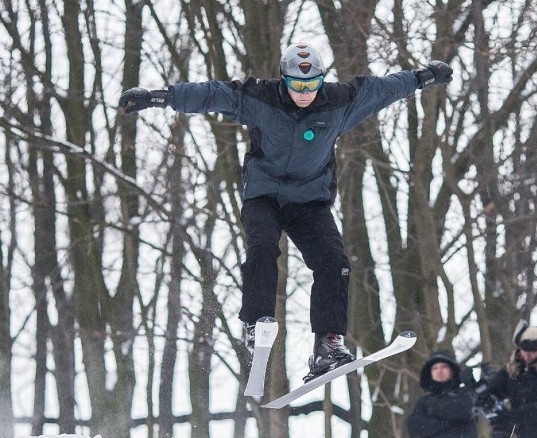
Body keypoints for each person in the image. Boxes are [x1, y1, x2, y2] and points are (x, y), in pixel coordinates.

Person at [119, 44, 453, 381]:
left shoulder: (340, 102)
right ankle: (255, 321)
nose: (305, 93)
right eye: (297, 85)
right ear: (283, 80)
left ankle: (327, 344)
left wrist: (423, 78)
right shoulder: (259, 98)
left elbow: (384, 89)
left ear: (322, 81)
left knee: (334, 262)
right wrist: (158, 96)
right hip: (263, 197)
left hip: (309, 202)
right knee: (263, 247)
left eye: (312, 86)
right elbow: (211, 95)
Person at [406, 350, 478, 438]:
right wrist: (448, 422)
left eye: (444, 366)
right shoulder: (424, 401)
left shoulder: (465, 393)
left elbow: (464, 410)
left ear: (452, 370)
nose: (439, 371)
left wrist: (432, 413)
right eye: (435, 368)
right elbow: (413, 426)